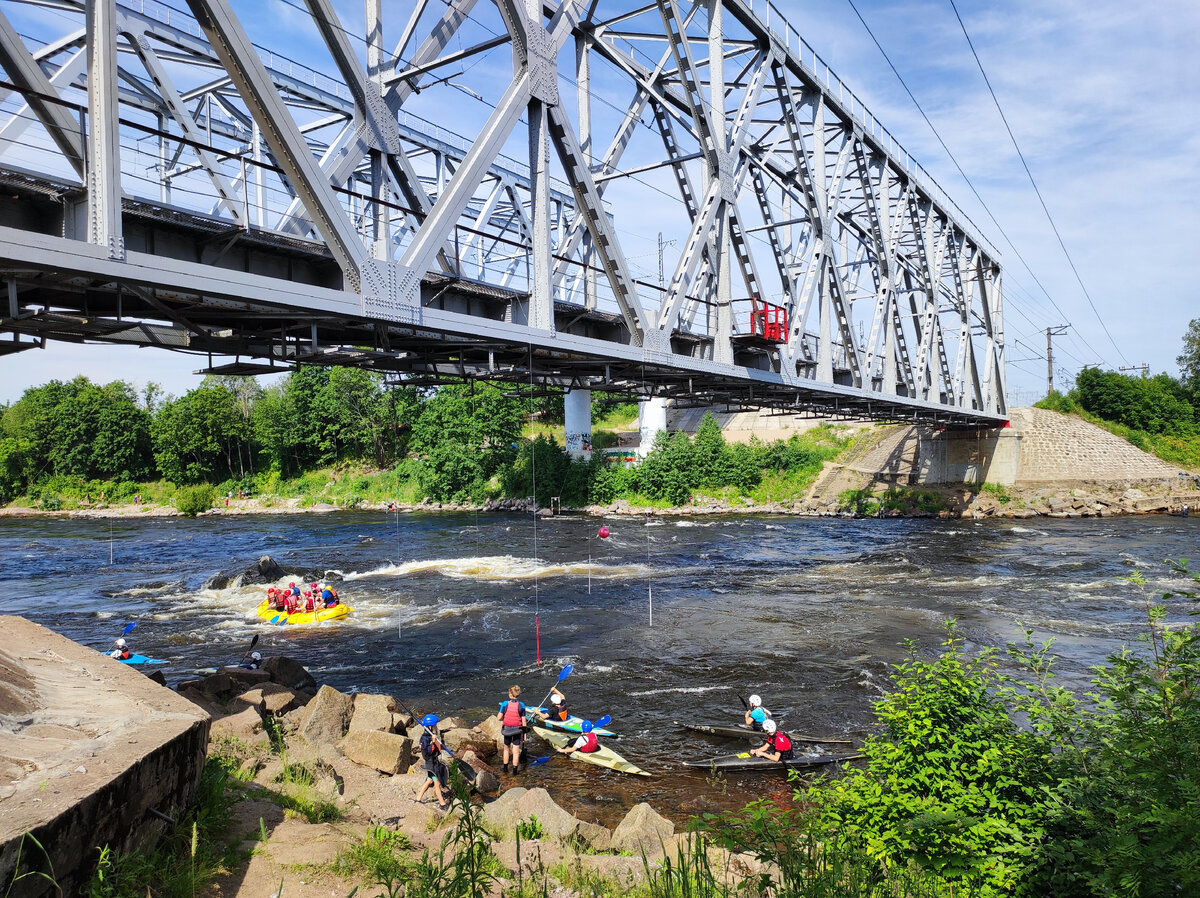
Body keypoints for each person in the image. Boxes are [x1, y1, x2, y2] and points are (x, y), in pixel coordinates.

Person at [415, 714, 450, 810]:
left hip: (433, 762)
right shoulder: (425, 738)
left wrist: (436, 742)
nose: (436, 727)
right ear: (430, 726)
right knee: (437, 783)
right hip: (431, 764)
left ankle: (418, 799)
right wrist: (434, 742)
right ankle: (442, 803)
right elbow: (427, 752)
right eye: (435, 725)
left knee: (429, 780)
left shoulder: (428, 736)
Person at [496, 684, 527, 774]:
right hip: (518, 730)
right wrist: (524, 735)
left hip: (507, 730)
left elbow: (498, 717)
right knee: (516, 751)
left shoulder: (505, 704)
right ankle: (514, 771)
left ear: (510, 694)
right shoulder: (522, 705)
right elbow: (524, 722)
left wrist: (504, 717)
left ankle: (505, 768)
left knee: (506, 748)